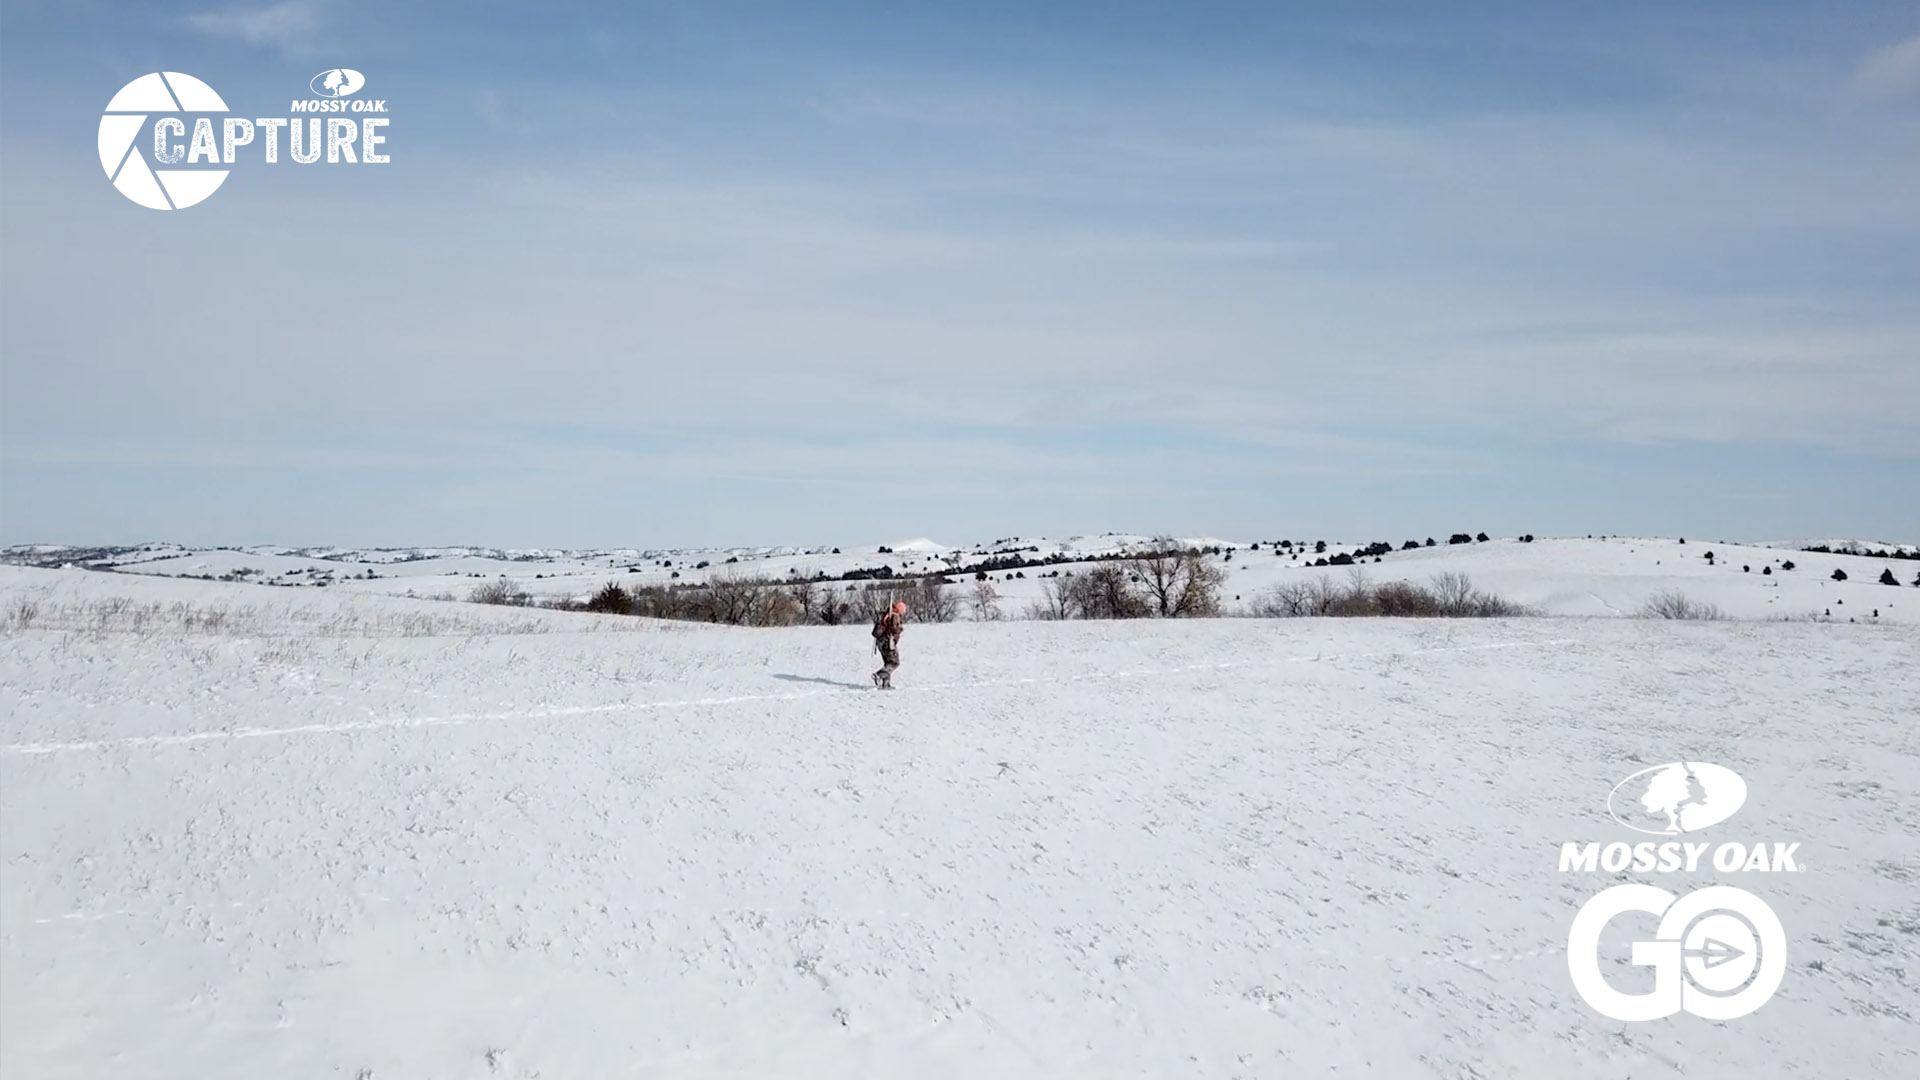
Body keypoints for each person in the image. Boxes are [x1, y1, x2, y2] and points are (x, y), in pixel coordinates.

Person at [871, 600, 906, 689]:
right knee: (894, 662)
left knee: (887, 663)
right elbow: (894, 628)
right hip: (888, 642)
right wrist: (900, 629)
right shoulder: (895, 616)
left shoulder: (887, 614)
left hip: (881, 642)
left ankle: (886, 684)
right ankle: (878, 675)